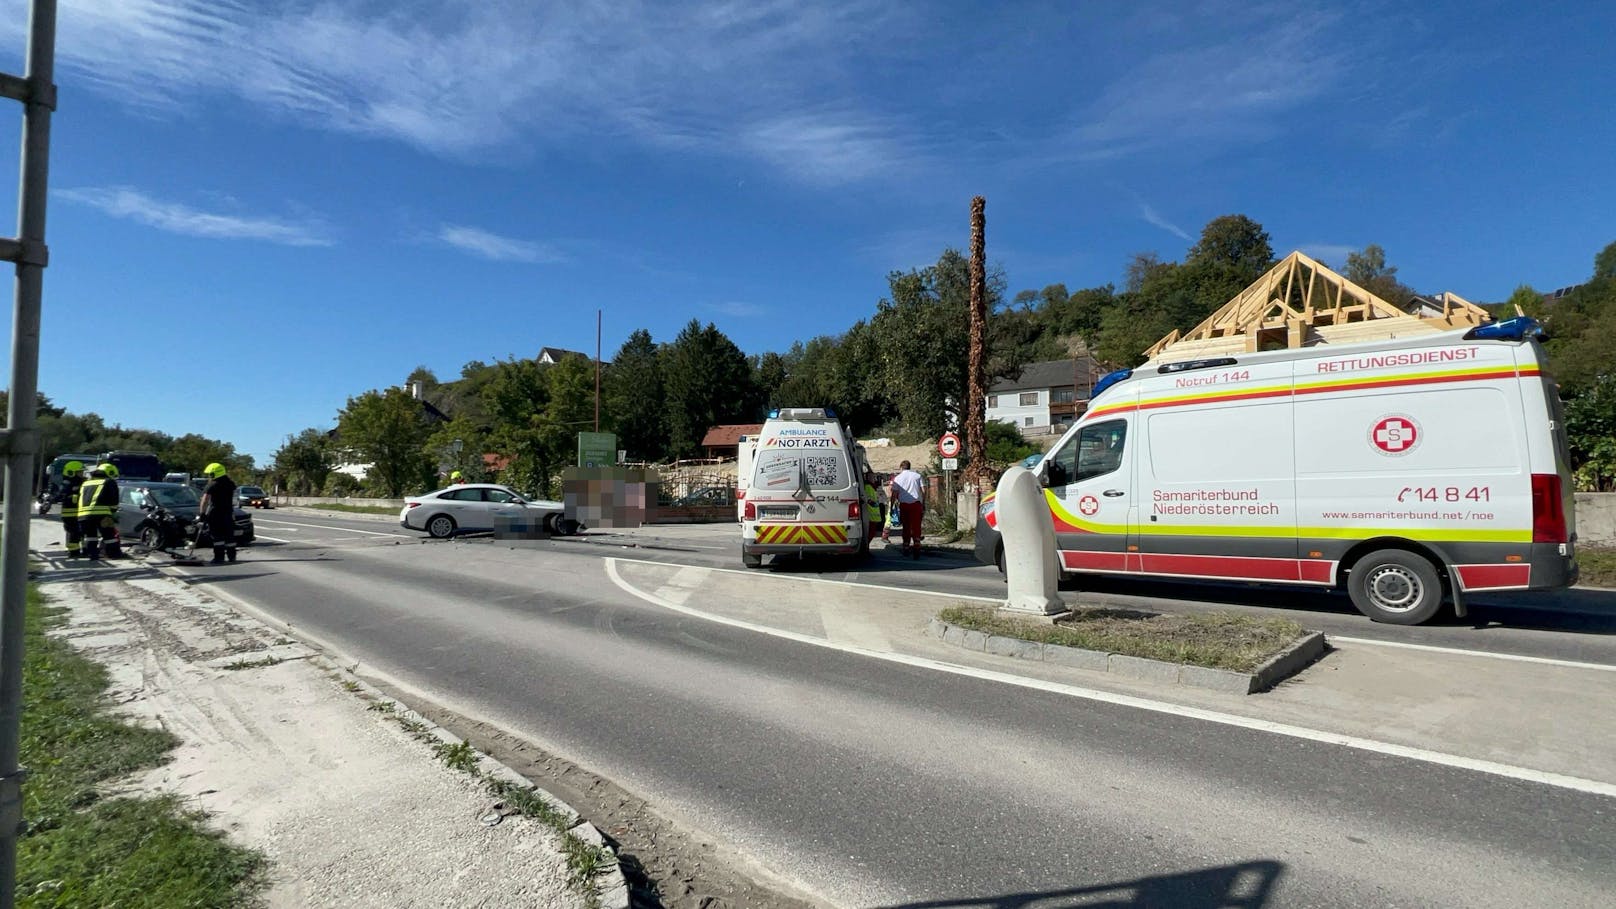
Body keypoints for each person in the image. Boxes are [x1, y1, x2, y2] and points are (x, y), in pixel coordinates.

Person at [76, 462, 121, 561]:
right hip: (102, 514)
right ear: (109, 472)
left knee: (90, 536)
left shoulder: (85, 483)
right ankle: (113, 554)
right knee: (109, 536)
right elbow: (114, 501)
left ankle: (93, 555)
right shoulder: (109, 482)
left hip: (83, 515)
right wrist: (113, 513)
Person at [198, 462, 238, 565]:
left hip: (215, 513)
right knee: (229, 536)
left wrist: (202, 514)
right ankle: (232, 556)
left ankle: (219, 557)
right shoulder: (230, 483)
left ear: (214, 474)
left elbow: (205, 500)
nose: (209, 476)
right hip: (228, 512)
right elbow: (234, 499)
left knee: (217, 536)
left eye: (210, 474)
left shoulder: (212, 485)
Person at [889, 460, 926, 559]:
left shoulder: (897, 478)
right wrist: (923, 503)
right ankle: (917, 545)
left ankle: (906, 546)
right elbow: (923, 490)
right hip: (916, 504)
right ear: (910, 467)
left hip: (904, 505)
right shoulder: (917, 476)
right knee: (916, 526)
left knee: (906, 526)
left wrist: (892, 507)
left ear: (901, 467)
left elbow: (894, 494)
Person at [58, 460, 85, 559]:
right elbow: (61, 496)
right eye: (79, 472)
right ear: (71, 472)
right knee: (73, 532)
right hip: (69, 513)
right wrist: (72, 496)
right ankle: (73, 552)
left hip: (80, 512)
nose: (81, 474)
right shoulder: (66, 484)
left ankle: (83, 550)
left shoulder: (83, 482)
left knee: (81, 532)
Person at [861, 470, 883, 547]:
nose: (873, 478)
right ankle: (866, 547)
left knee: (872, 533)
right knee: (870, 533)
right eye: (871, 477)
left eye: (873, 477)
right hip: (870, 513)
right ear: (867, 478)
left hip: (874, 513)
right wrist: (871, 502)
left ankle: (867, 547)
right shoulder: (867, 486)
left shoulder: (873, 486)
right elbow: (866, 498)